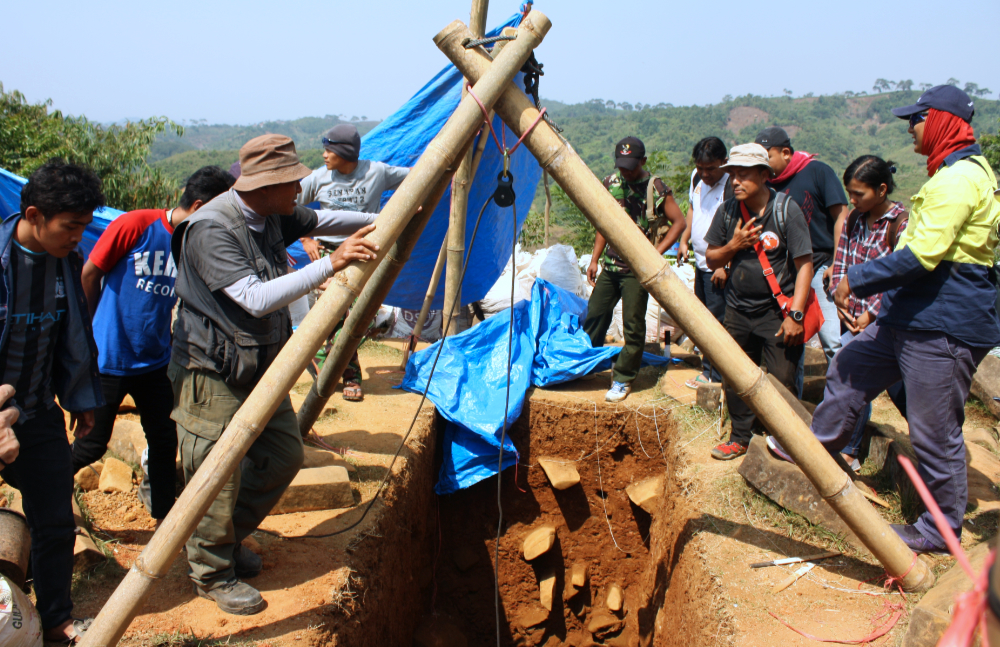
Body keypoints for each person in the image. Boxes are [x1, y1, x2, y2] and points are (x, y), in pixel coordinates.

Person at [170, 134, 382, 614]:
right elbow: (255, 297)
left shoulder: (269, 213)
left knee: (284, 455)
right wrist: (333, 261)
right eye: (292, 184)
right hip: (213, 370)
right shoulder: (211, 228)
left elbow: (324, 218)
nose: (299, 193)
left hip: (259, 362)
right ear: (265, 187)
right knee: (215, 473)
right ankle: (211, 571)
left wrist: (385, 220)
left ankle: (224, 541)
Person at [789, 85, 1000, 553]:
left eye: (917, 119)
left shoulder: (958, 180)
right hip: (911, 312)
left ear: (943, 121)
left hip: (942, 322)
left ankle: (939, 531)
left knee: (933, 432)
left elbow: (922, 255)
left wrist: (857, 281)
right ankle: (816, 446)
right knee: (850, 367)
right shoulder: (947, 173)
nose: (910, 128)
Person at [74, 166, 236, 523]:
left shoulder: (195, 243)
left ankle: (165, 519)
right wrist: (84, 339)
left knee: (164, 440)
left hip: (155, 361)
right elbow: (90, 273)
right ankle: (45, 495)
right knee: (90, 444)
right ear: (197, 206)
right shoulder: (136, 225)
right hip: (107, 359)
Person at [0, 160, 107, 643]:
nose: (78, 237)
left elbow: (75, 334)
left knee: (56, 524)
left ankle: (57, 620)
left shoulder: (64, 260)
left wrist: (82, 398)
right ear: (35, 214)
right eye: (71, 226)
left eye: (85, 226)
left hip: (39, 414)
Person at [703, 144, 814, 460]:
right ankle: (740, 436)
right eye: (733, 175)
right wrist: (734, 245)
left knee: (782, 380)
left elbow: (805, 264)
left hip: (776, 314)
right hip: (737, 310)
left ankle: (785, 440)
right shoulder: (727, 212)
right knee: (738, 376)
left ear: (765, 176)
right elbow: (712, 258)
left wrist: (795, 313)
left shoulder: (785, 210)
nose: (736, 181)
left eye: (744, 175)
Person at [297, 123, 411, 400]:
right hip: (330, 253)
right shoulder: (318, 178)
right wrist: (306, 239)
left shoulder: (376, 172)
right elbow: (289, 205)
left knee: (363, 316)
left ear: (345, 152)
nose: (324, 155)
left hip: (363, 252)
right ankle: (350, 377)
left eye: (328, 150)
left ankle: (321, 361)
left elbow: (418, 177)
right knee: (334, 315)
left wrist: (409, 204)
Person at [583, 136, 687, 403]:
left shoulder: (656, 188)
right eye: (621, 166)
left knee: (632, 324)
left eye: (631, 166)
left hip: (636, 271)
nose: (625, 172)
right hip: (611, 265)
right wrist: (595, 259)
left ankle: (623, 378)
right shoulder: (611, 183)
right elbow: (603, 224)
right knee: (596, 313)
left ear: (643, 161)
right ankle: (587, 364)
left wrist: (655, 253)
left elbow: (679, 222)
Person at [829, 156, 908, 470]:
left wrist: (872, 315)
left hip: (885, 321)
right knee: (853, 380)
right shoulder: (853, 219)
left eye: (859, 193)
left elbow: (900, 276)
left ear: (882, 189)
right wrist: (839, 295)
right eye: (850, 192)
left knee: (902, 393)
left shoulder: (900, 225)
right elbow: (843, 260)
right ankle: (848, 449)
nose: (852, 199)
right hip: (853, 317)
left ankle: (933, 454)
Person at [755, 127, 849, 360]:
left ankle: (850, 396)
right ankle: (793, 397)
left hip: (819, 265)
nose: (761, 163)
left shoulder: (818, 172)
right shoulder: (765, 185)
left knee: (832, 340)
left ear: (785, 152)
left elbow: (841, 216)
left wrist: (837, 264)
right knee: (789, 339)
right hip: (783, 272)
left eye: (766, 155)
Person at [678, 136, 732, 388]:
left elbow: (735, 226)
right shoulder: (696, 178)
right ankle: (710, 368)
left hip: (718, 267)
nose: (705, 173)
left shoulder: (731, 184)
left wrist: (725, 265)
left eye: (710, 168)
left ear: (724, 162)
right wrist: (684, 240)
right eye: (700, 167)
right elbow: (692, 209)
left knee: (717, 322)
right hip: (700, 263)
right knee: (704, 318)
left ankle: (715, 374)